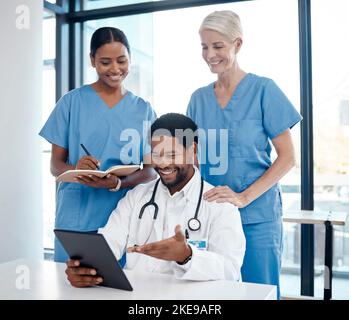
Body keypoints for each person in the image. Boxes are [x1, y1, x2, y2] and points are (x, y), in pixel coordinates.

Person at [186, 11, 302, 298]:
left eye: (218, 46)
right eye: (204, 46)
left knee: (258, 293)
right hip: (211, 217)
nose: (210, 54)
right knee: (212, 294)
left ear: (237, 44)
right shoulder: (198, 99)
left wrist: (244, 197)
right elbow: (192, 159)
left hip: (257, 218)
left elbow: (287, 157)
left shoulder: (264, 90)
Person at [65, 113, 246, 287]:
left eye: (172, 155)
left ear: (193, 150)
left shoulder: (220, 204)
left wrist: (187, 256)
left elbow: (230, 270)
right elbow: (109, 243)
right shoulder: (137, 196)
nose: (163, 164)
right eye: (157, 155)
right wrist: (85, 268)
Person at [39, 27, 157, 262]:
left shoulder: (143, 110)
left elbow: (150, 170)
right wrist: (76, 168)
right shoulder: (71, 103)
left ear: (130, 59)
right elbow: (55, 166)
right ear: (92, 60)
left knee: (120, 291)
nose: (115, 69)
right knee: (72, 289)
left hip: (123, 218)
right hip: (76, 218)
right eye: (105, 62)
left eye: (122, 61)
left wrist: (117, 183)